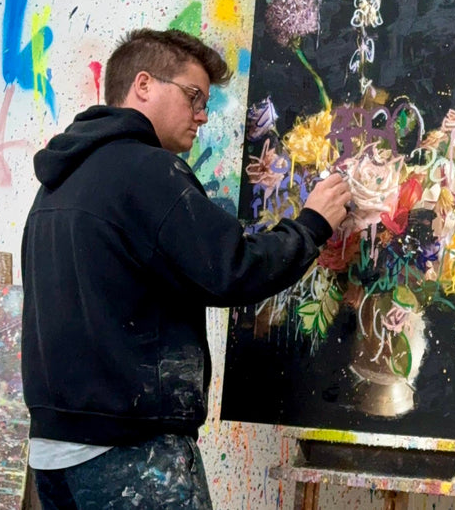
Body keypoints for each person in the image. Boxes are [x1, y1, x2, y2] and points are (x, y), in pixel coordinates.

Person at [20, 29, 350, 508]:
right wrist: (313, 225)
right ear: (143, 84)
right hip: (129, 452)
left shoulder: (58, 181)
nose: (202, 115)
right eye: (193, 96)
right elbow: (232, 268)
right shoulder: (146, 170)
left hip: (54, 456)